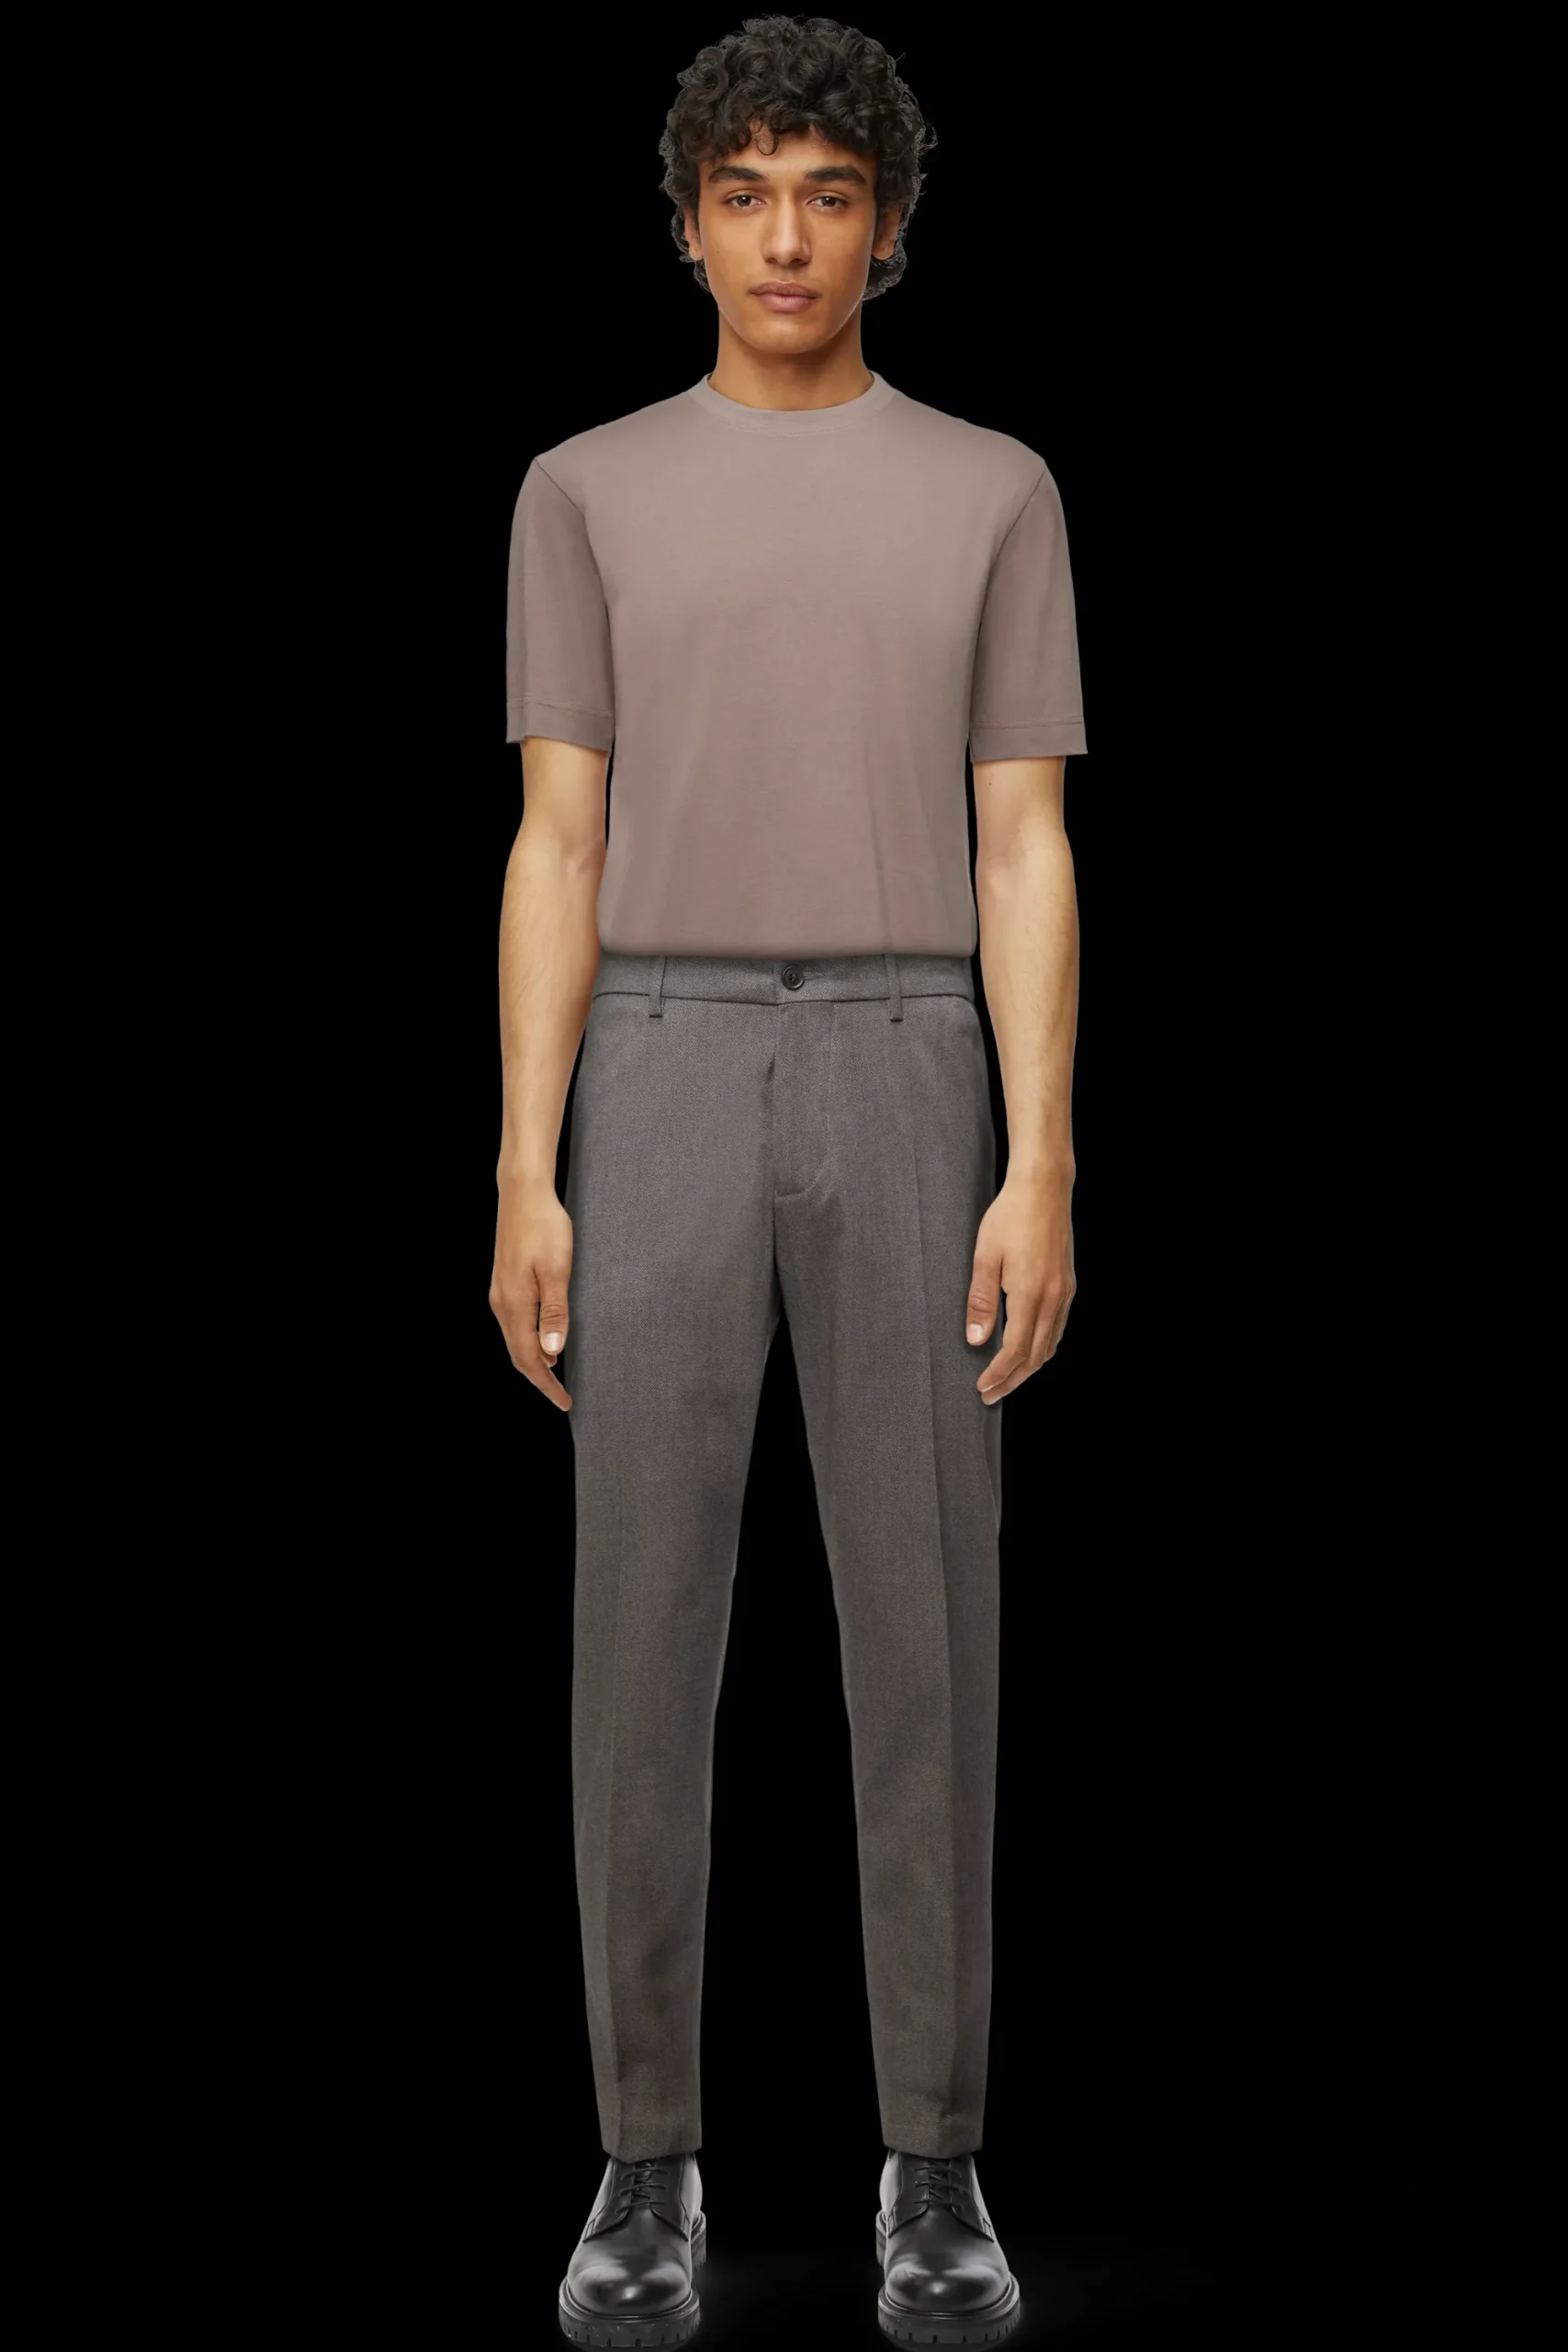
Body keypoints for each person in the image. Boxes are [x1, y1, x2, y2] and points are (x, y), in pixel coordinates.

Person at [491, 15, 1087, 2344]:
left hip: (909, 1052)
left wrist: (1040, 1151)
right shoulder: (581, 489)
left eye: (829, 192)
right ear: (683, 222)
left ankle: (934, 2164)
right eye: (743, 190)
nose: (785, 235)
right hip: (653, 1056)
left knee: (927, 1617)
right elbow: (554, 837)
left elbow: (1023, 840)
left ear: (891, 227)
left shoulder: (996, 490)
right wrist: (525, 1159)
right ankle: (641, 2163)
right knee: (637, 1621)